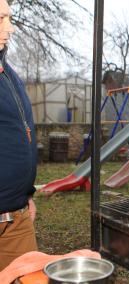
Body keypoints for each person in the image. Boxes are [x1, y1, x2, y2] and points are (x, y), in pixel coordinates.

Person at [0, 0, 38, 271]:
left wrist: (26, 195)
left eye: (9, 18)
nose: (10, 28)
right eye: (1, 18)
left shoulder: (8, 73)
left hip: (16, 217)